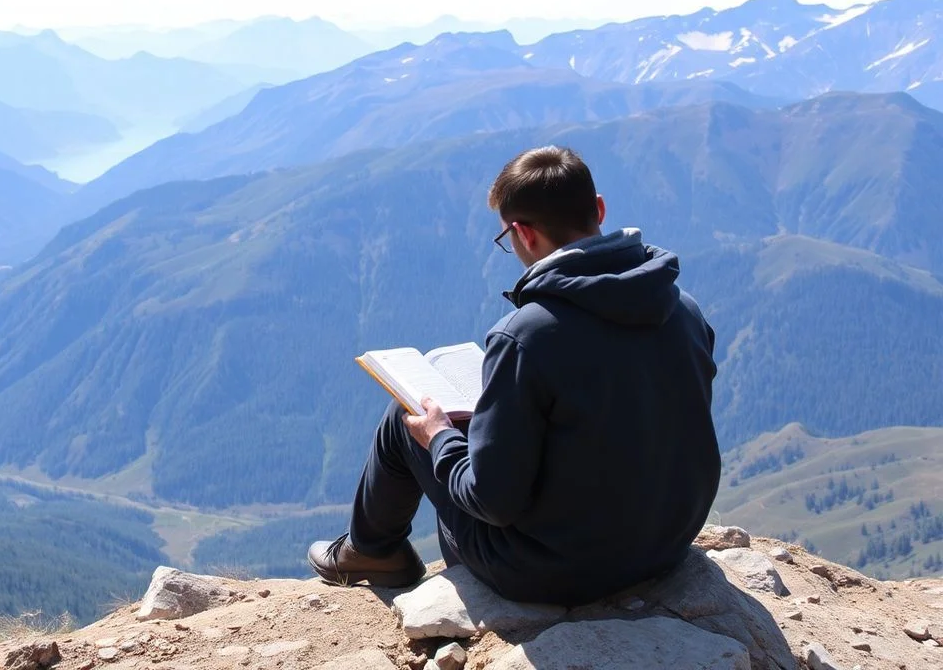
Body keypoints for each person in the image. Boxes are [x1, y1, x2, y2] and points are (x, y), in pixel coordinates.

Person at [307, 145, 722, 606]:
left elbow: (491, 501)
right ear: (599, 209)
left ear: (522, 233)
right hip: (666, 545)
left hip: (552, 570)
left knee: (404, 416)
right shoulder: (684, 308)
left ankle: (372, 552)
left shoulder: (528, 336)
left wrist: (440, 437)